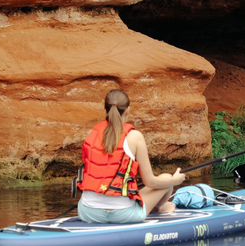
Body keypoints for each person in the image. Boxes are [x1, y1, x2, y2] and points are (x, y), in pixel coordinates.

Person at [77, 89, 186, 224]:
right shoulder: (135, 137)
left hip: (88, 212)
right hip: (123, 214)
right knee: (166, 179)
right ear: (128, 110)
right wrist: (175, 181)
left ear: (105, 108)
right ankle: (161, 207)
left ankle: (160, 206)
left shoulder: (91, 134)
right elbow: (150, 182)